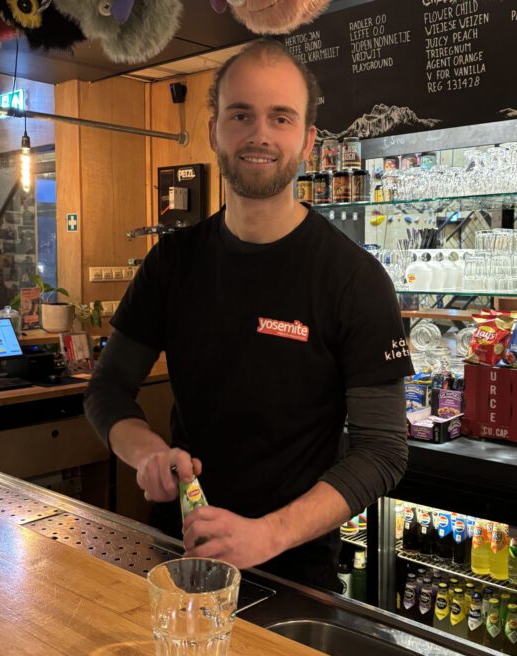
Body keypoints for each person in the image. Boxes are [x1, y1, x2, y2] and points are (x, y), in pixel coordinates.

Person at [84, 39, 413, 590]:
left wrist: (268, 534)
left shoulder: (353, 278)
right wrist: (149, 455)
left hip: (295, 577)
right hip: (177, 553)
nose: (260, 134)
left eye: (280, 118)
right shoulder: (172, 263)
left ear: (307, 140)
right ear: (214, 129)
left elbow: (383, 450)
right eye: (241, 115)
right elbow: (107, 389)